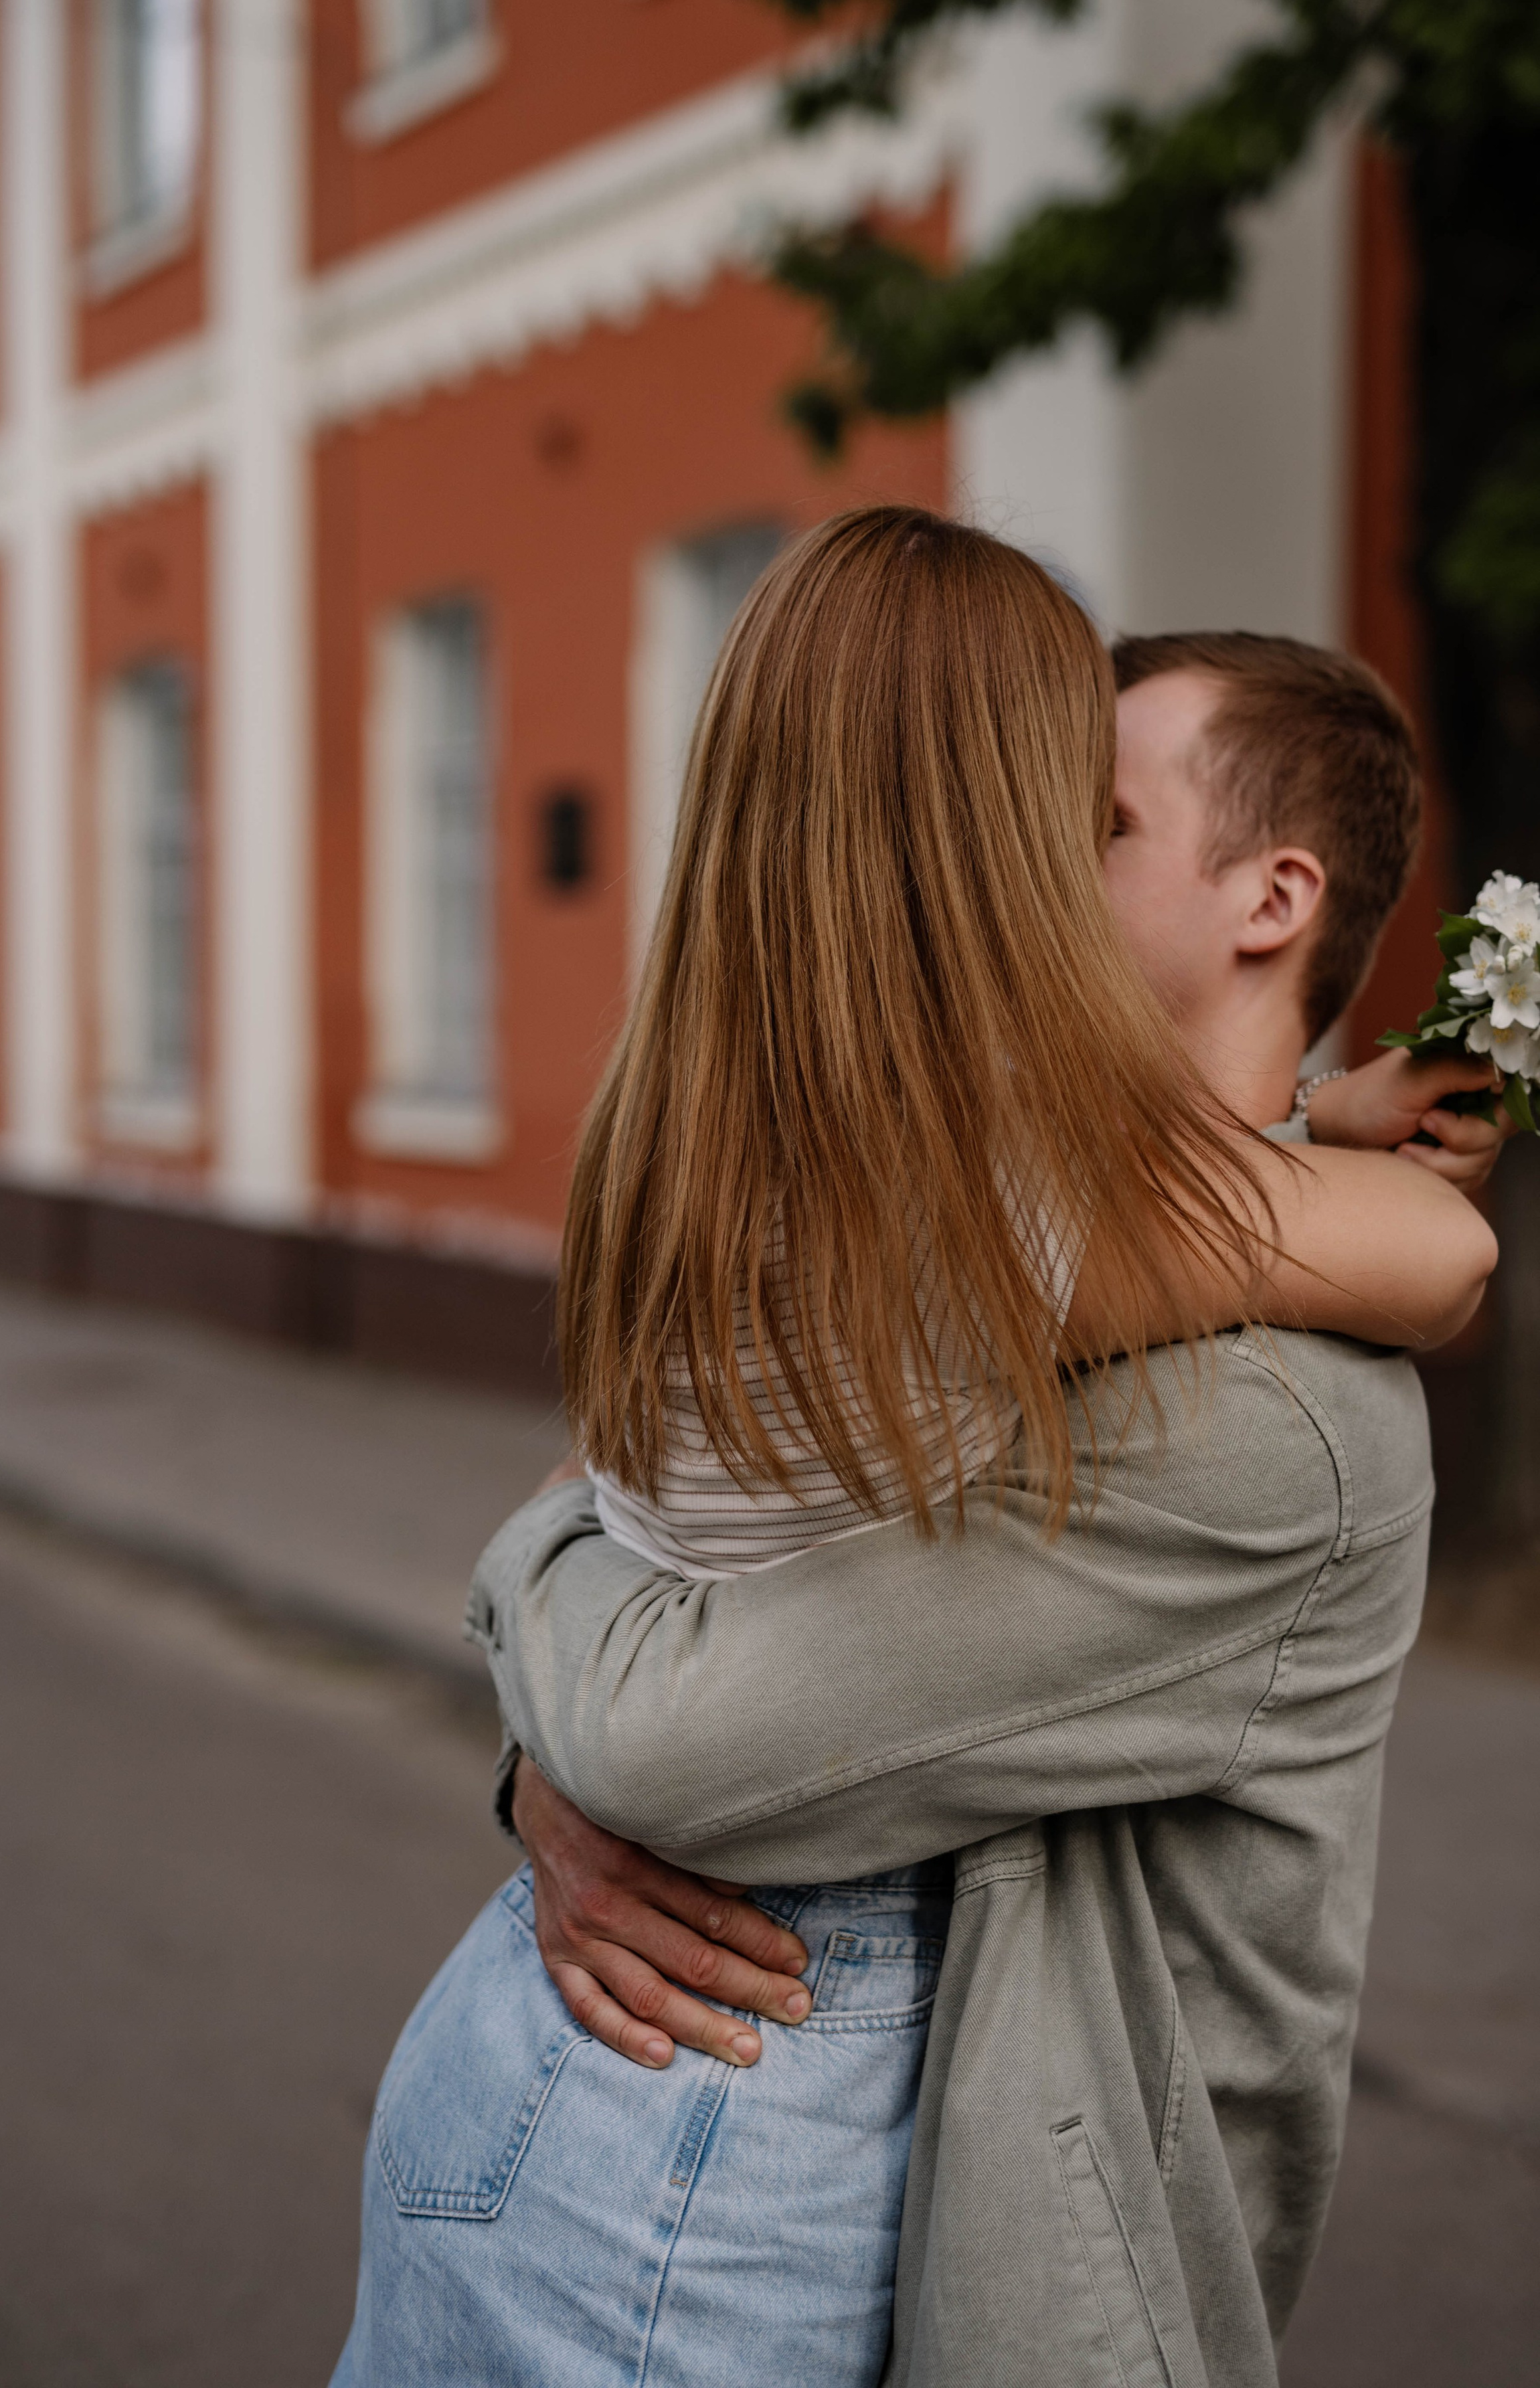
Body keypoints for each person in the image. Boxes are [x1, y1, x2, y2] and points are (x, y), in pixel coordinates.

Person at [331, 516, 1494, 2388]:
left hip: (580, 2070)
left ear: (1267, 899)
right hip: (715, 2130)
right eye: (1045, 804)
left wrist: (534, 1652)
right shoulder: (1033, 1236)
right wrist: (565, 1739)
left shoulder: (752, 1112)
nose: (1053, 851)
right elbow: (1442, 1255)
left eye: (1097, 817)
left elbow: (617, 1545)